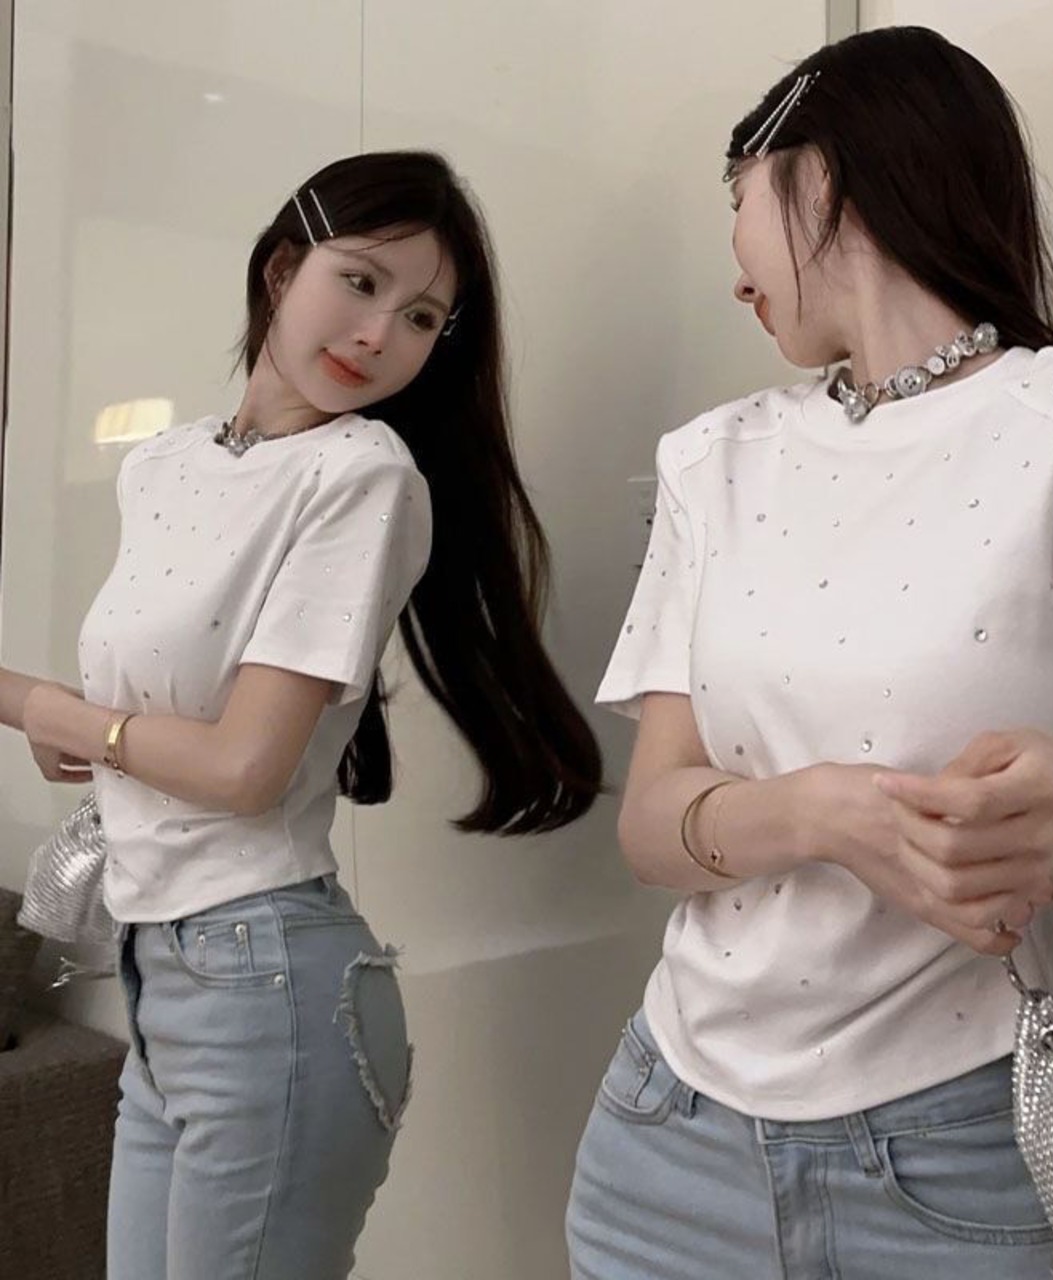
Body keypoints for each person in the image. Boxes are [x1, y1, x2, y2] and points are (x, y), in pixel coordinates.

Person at [566, 26, 1053, 1280]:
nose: (732, 262)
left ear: (821, 174)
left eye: (736, 200)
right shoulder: (712, 457)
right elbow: (649, 828)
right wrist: (820, 813)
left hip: (956, 1163)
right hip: (663, 1144)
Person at [1, 149, 602, 1279]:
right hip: (158, 971)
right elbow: (154, 715)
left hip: (263, 983)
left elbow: (244, 770)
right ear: (282, 268)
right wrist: (87, 732)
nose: (378, 334)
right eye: (361, 281)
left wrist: (41, 707)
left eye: (421, 317)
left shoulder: (362, 474)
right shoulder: (161, 465)